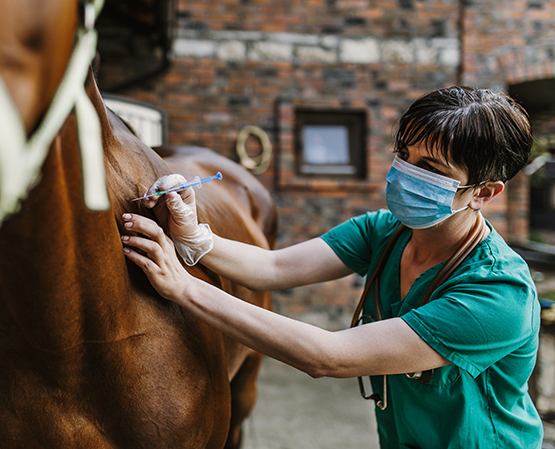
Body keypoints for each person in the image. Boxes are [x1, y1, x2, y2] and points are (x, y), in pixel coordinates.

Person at [121, 86, 543, 448]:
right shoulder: (387, 232)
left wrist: (185, 288)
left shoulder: (497, 293)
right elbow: (274, 267)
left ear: (484, 193)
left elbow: (329, 356)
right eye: (404, 155)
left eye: (430, 168)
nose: (404, 173)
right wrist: (194, 236)